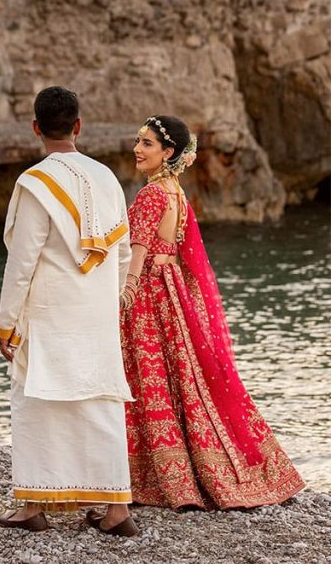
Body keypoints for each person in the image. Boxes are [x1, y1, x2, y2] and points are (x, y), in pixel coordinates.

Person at [120, 115, 305, 509]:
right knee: (184, 380)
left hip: (151, 291)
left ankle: (163, 476)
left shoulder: (153, 195)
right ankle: (205, 468)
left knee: (150, 377)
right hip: (170, 291)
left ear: (168, 153)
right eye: (138, 141)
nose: (138, 148)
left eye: (148, 143)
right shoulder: (176, 192)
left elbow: (139, 247)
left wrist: (128, 290)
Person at [0, 86, 138, 537]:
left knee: (36, 400)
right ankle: (116, 513)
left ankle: (33, 507)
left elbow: (22, 262)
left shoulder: (35, 183)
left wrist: (6, 321)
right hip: (96, 317)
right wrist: (106, 304)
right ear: (78, 126)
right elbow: (124, 253)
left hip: (50, 314)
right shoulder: (108, 177)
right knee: (102, 401)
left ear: (36, 128)